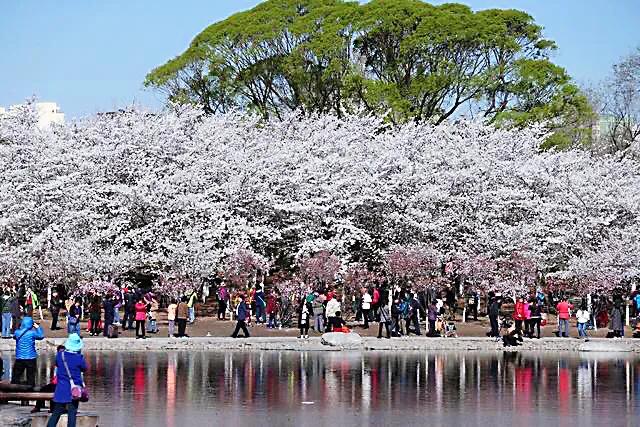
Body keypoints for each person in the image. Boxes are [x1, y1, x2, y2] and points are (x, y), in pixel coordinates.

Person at [47, 333, 87, 427]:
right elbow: (85, 368)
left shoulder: (60, 356)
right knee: (72, 413)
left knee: (56, 413)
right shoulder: (79, 358)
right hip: (74, 390)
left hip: (61, 388)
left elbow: (56, 364)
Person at [11, 316, 45, 388]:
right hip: (30, 357)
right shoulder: (32, 334)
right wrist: (37, 327)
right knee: (31, 376)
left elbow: (14, 336)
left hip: (19, 357)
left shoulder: (17, 332)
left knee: (16, 376)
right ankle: (30, 390)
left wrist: (21, 328)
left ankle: (14, 391)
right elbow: (41, 336)